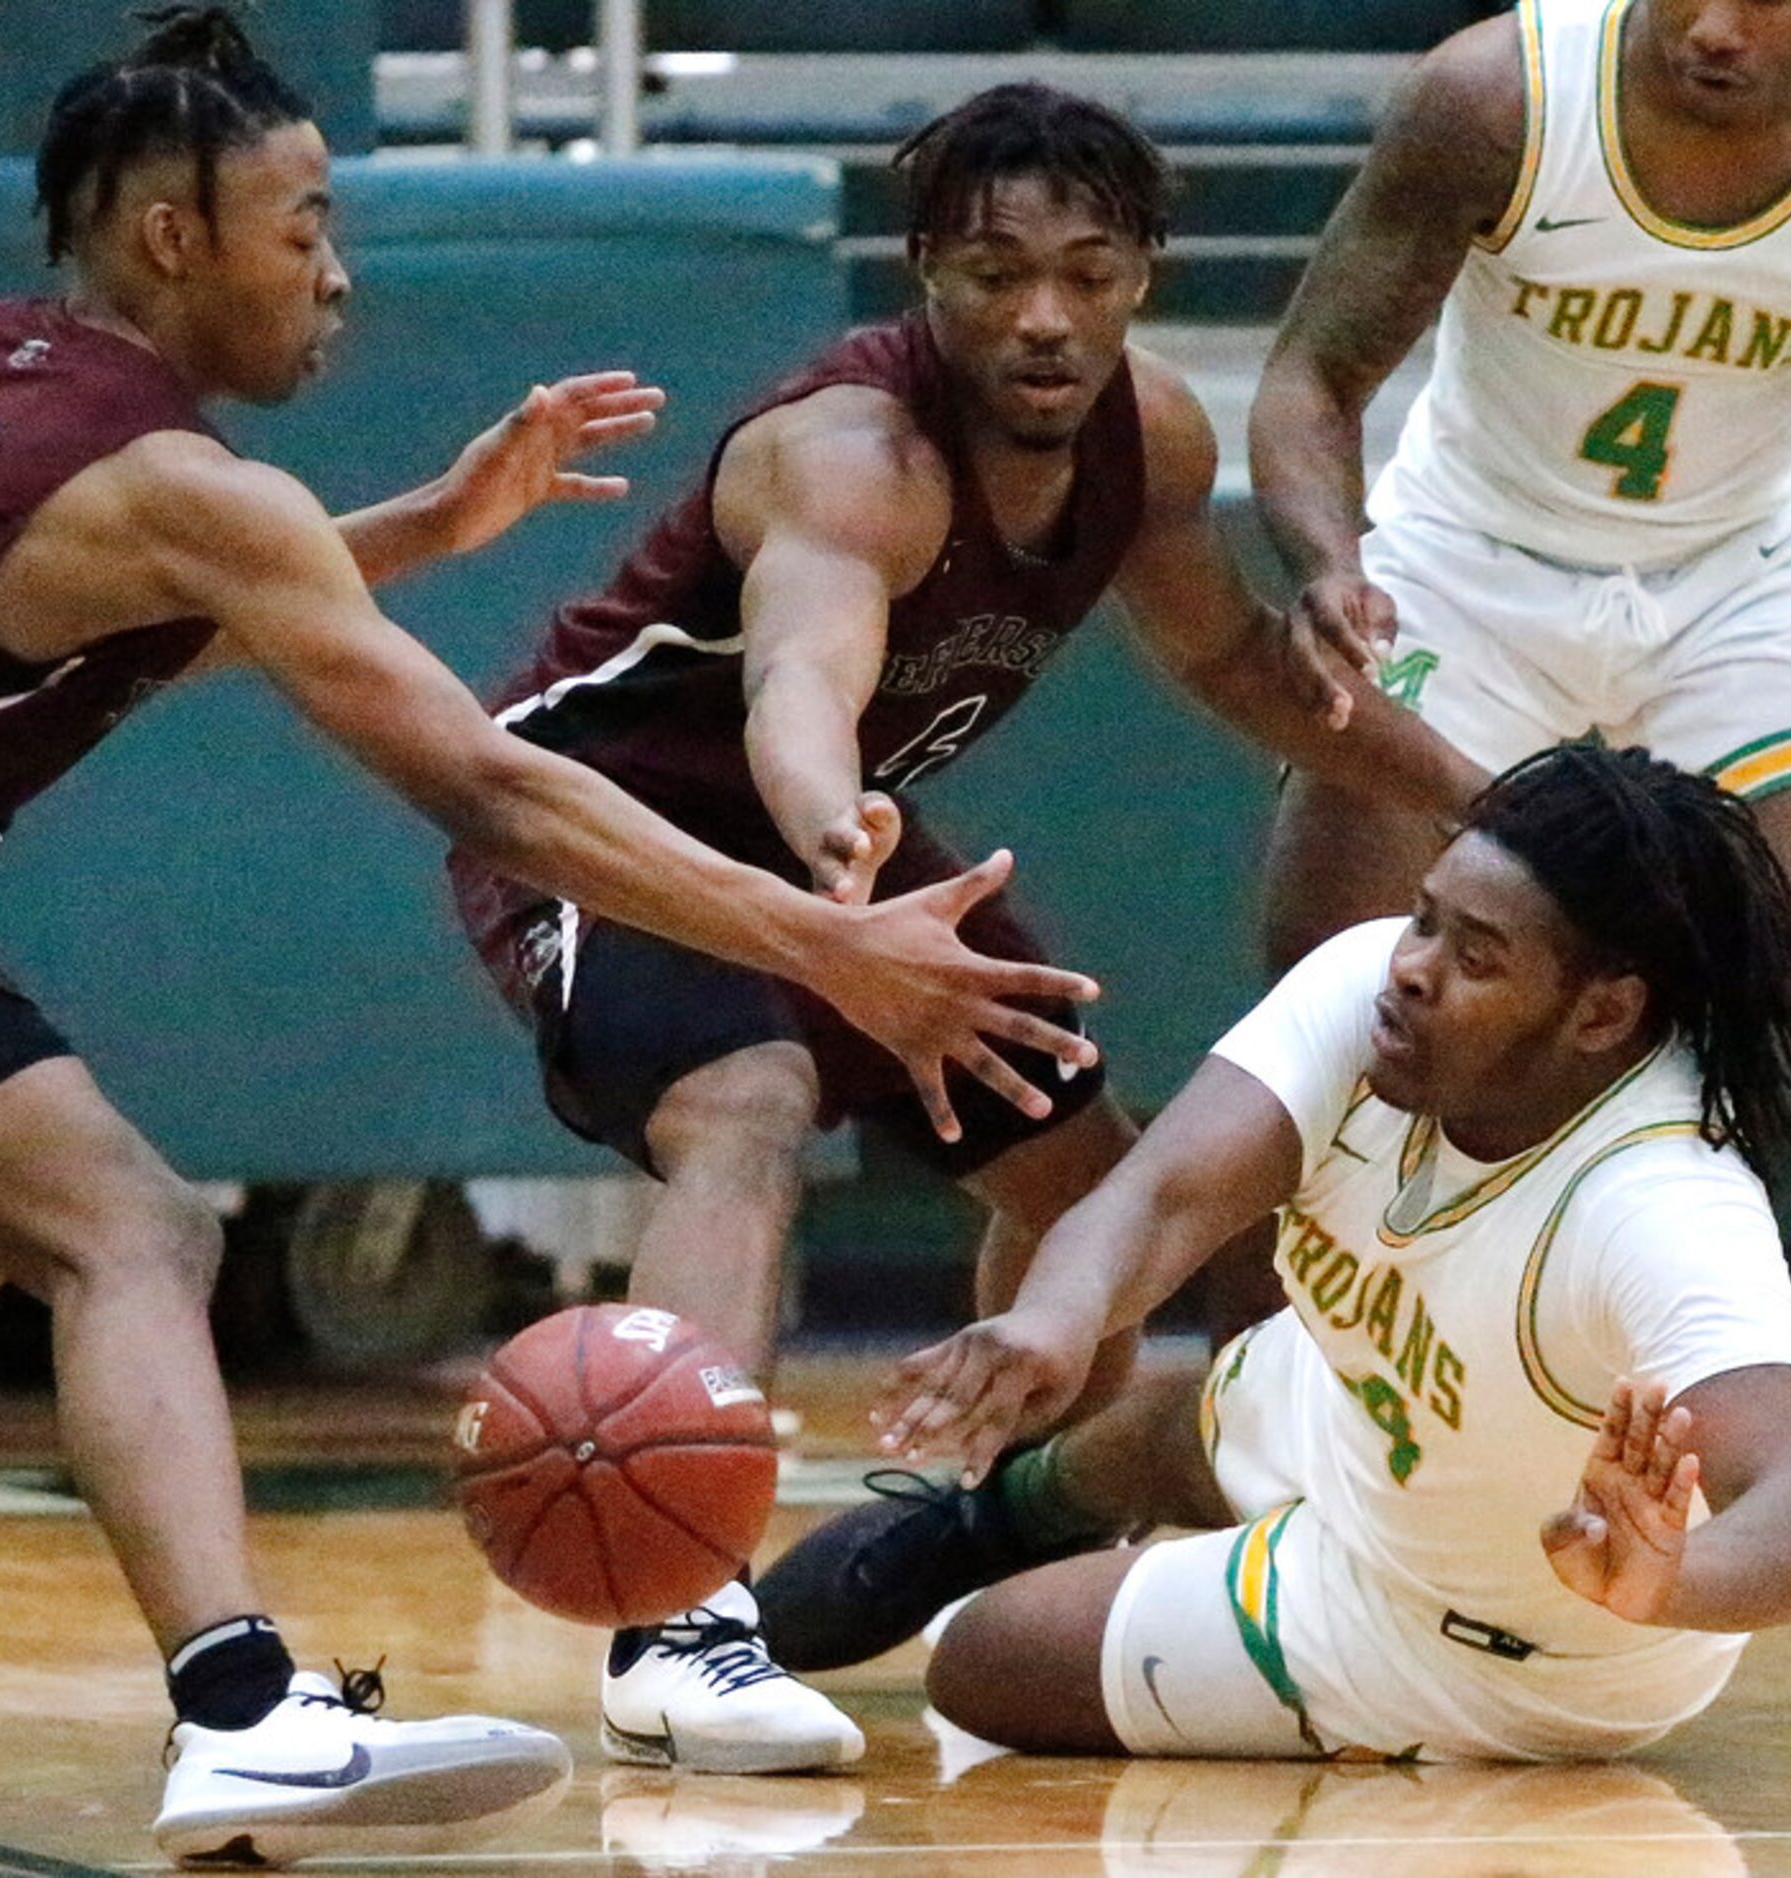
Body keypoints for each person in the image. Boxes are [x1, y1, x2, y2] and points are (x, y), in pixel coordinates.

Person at [0, 11, 1112, 1867]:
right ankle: (243, 1709)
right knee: (133, 1225)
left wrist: (425, 525)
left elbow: (106, 611)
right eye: (304, 226)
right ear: (174, 239)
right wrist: (821, 944)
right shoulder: (190, 488)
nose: (337, 273)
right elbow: (495, 794)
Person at [449, 81, 1487, 1772]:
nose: (1044, 315)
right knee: (744, 1099)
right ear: (926, 271)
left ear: (1146, 272)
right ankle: (676, 1621)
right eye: (997, 271)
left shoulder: (1152, 438)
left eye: (1087, 270)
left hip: (847, 847)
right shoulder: (852, 456)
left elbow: (1232, 661)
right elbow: (803, 678)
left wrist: (1479, 794)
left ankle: (976, 1522)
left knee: (1100, 1196)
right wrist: (827, 843)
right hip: (614, 814)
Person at [1247, 0, 1791, 1423]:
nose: (1716, 28)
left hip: (1734, 581)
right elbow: (1310, 378)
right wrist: (1328, 564)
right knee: (1333, 1007)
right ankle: (1239, 1466)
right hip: (1465, 565)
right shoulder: (1500, 95)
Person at [875, 743, 1791, 1764]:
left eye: (1474, 957)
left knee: (980, 1658)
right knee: (1165, 1425)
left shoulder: (1660, 1209)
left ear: (1601, 1013)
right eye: (1425, 916)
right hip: (1363, 1403)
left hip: (1475, 1641)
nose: (1414, 967)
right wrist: (1053, 1321)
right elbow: (1160, 1199)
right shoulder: (1375, 991)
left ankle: (1180, 1566)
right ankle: (1014, 1512)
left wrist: (1664, 1580)